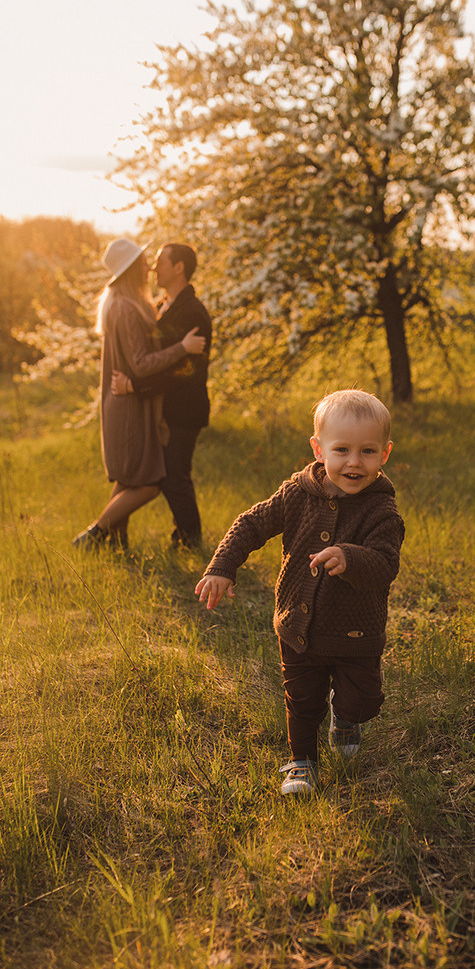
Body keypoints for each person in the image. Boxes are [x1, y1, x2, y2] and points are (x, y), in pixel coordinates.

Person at [195, 389, 405, 797]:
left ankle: (346, 718)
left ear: (385, 454)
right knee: (303, 700)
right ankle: (302, 763)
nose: (353, 462)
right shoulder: (297, 494)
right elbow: (251, 523)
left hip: (355, 634)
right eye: (341, 449)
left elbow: (385, 564)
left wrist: (350, 556)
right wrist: (223, 566)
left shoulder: (382, 511)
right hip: (298, 626)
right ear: (318, 448)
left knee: (363, 701)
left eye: (367, 451)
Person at [72, 238, 206, 549]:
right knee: (147, 484)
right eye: (144, 262)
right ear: (132, 269)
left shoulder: (125, 303)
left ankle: (117, 545)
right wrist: (182, 348)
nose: (150, 267)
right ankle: (95, 533)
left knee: (128, 478)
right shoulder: (126, 308)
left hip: (130, 401)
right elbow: (141, 363)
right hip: (130, 404)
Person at [110, 243, 212, 548]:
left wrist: (136, 387)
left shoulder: (194, 313)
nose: (154, 268)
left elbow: (188, 372)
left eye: (160, 263)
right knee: (160, 474)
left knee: (174, 477)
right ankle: (122, 534)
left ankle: (190, 541)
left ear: (178, 268)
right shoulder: (160, 306)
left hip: (184, 409)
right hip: (160, 408)